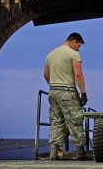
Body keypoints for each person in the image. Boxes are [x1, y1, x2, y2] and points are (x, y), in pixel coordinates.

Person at [44, 32, 90, 161]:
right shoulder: (73, 54)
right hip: (67, 91)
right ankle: (80, 152)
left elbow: (46, 74)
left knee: (56, 121)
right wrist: (83, 93)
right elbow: (78, 74)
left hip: (53, 91)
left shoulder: (50, 54)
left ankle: (54, 152)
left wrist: (54, 85)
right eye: (78, 46)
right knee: (75, 120)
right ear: (74, 41)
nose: (78, 48)